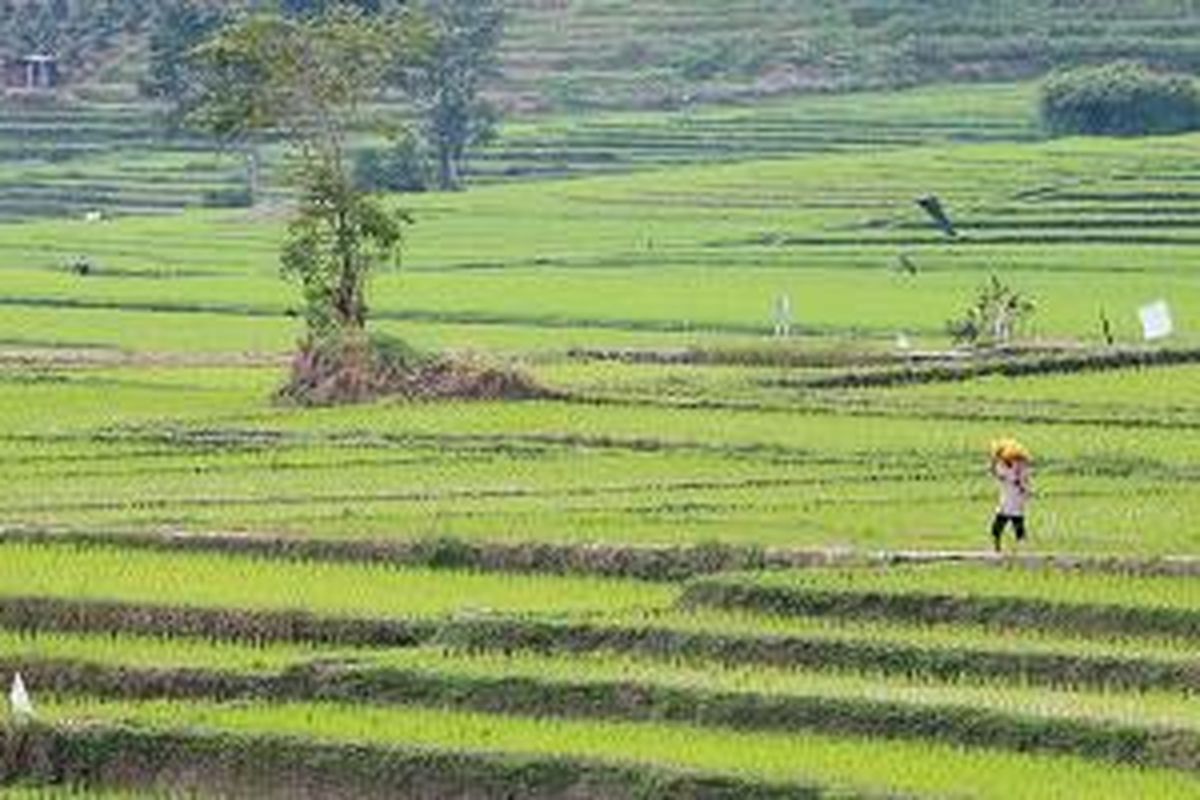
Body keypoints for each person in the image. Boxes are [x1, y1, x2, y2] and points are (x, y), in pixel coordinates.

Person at [989, 439, 1032, 553]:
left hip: (1015, 499)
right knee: (999, 525)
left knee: (1017, 522)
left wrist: (1023, 486)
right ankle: (997, 545)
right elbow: (997, 473)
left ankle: (1021, 547)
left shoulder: (1019, 467)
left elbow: (1024, 481)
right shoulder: (1002, 467)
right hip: (1007, 499)